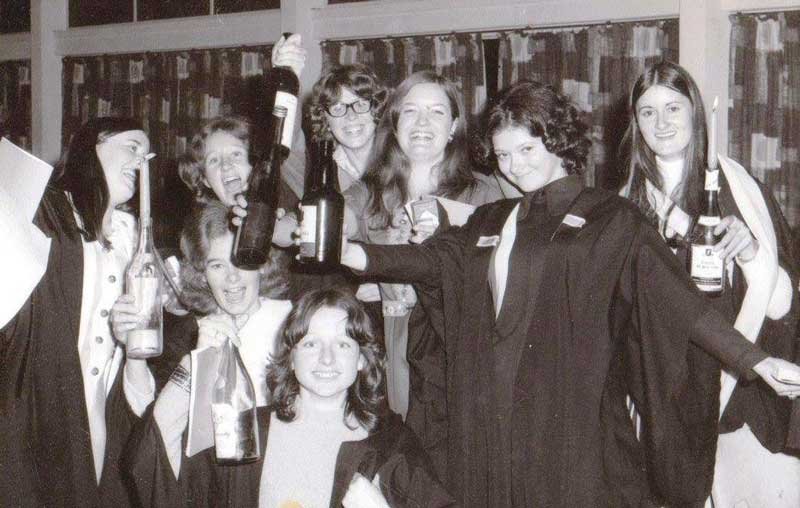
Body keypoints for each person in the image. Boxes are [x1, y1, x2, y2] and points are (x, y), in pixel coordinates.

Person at [334, 80, 800, 507]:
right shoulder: (490, 219)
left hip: (569, 427)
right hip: (489, 427)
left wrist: (753, 361)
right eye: (503, 155)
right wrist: (356, 255)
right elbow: (435, 262)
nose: (515, 165)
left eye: (526, 148)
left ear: (556, 141)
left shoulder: (609, 217)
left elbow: (678, 302)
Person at [619, 60, 800, 508]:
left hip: (741, 403)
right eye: (647, 112)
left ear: (695, 113)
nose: (661, 123)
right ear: (635, 123)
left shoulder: (743, 190)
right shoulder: (624, 206)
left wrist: (752, 252)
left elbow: (781, 306)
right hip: (663, 407)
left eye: (673, 108)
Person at [125, 287, 454, 507]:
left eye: (342, 344)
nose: (326, 359)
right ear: (291, 357)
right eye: (311, 344)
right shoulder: (247, 433)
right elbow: (159, 469)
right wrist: (193, 366)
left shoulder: (389, 445)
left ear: (362, 360)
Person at [344, 70, 504, 465]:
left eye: (436, 112)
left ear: (453, 126)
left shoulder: (485, 192)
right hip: (383, 357)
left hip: (453, 353)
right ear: (394, 123)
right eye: (410, 111)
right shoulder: (367, 192)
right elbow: (330, 226)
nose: (421, 123)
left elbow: (502, 282)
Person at [0, 118, 157, 507]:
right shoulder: (44, 211)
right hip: (34, 407)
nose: (143, 160)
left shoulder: (131, 238)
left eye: (147, 153)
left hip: (95, 414)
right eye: (132, 147)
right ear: (93, 145)